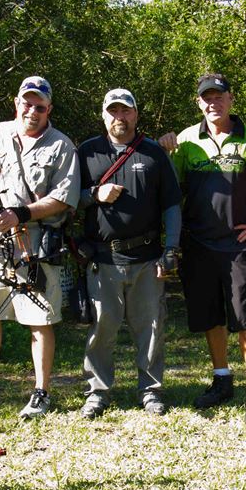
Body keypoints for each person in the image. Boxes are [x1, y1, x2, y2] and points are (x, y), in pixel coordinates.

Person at [159, 73, 246, 424]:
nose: (213, 103)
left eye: (220, 97)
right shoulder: (184, 141)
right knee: (210, 315)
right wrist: (164, 150)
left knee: (244, 315)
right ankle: (222, 379)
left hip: (236, 244)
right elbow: (168, 188)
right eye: (206, 98)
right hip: (196, 244)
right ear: (199, 103)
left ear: (231, 100)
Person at [0, 76, 79, 418]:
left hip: (36, 247)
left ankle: (41, 392)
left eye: (40, 106)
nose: (32, 111)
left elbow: (64, 199)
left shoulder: (61, 146)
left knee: (40, 320)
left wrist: (21, 214)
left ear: (49, 109)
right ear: (16, 102)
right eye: (27, 103)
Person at [75, 88, 182, 418]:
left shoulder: (153, 154)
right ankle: (97, 391)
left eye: (126, 111)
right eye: (113, 111)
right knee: (102, 329)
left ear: (135, 114)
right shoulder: (87, 152)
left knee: (150, 328)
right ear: (104, 115)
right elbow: (67, 201)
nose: (119, 117)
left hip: (148, 259)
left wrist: (171, 250)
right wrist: (95, 193)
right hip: (103, 260)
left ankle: (150, 390)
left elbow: (172, 206)